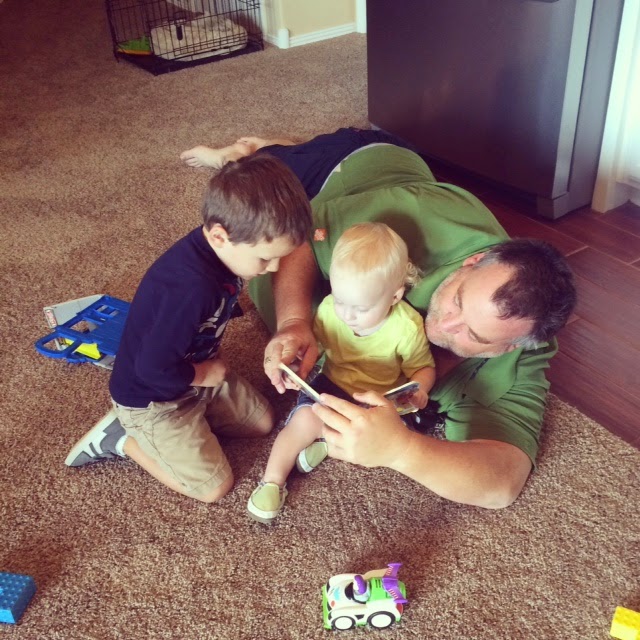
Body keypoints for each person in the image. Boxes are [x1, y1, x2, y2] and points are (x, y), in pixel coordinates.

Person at [181, 127, 577, 509]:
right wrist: (292, 322)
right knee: (260, 178)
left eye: (473, 335)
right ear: (473, 262)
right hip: (352, 164)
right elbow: (301, 237)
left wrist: (403, 450)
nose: (443, 326)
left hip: (385, 190)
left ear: (509, 347)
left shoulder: (522, 354)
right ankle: (255, 147)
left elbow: (502, 483)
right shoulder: (415, 217)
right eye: (456, 300)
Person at [64, 154, 312, 504]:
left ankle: (192, 422)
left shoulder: (224, 251)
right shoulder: (187, 289)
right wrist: (202, 374)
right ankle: (122, 438)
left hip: (196, 371)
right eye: (264, 258)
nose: (272, 268)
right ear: (220, 236)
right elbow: (150, 369)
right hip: (153, 398)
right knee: (213, 487)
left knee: (263, 422)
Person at [246, 222, 436, 523]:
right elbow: (316, 347)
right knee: (301, 422)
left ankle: (327, 443)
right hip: (331, 385)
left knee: (368, 442)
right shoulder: (329, 309)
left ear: (394, 297)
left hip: (375, 400)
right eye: (340, 299)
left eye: (360, 308)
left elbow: (422, 368)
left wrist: (420, 389)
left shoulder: (407, 327)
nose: (347, 314)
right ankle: (272, 481)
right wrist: (296, 365)